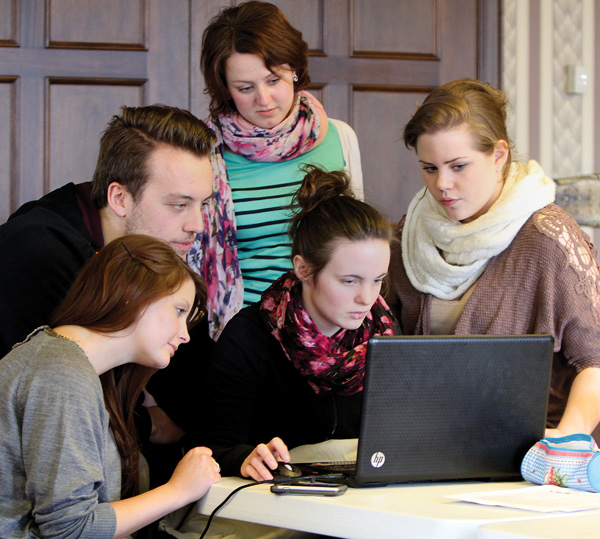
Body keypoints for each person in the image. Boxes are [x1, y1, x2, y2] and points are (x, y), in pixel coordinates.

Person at [0, 104, 215, 484]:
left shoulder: (158, 252)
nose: (196, 224)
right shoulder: (34, 251)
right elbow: (48, 404)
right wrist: (146, 423)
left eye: (204, 205)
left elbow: (197, 393)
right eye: (179, 205)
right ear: (119, 199)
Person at [386, 78, 600, 439]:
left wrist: (565, 442)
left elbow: (594, 361)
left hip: (534, 447)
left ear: (498, 156)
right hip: (433, 439)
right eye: (430, 168)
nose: (442, 185)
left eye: (458, 166)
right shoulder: (410, 233)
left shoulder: (547, 237)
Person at [0, 235, 221, 539]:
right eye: (179, 310)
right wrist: (177, 491)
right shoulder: (61, 373)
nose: (185, 334)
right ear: (133, 294)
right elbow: (70, 529)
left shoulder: (71, 366)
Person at [196, 166, 397, 480]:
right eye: (349, 281)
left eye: (378, 281)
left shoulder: (384, 332)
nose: (367, 299)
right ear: (303, 269)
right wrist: (244, 459)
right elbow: (212, 450)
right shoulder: (248, 338)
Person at [191, 0, 364, 338]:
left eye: (274, 80)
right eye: (245, 88)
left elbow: (358, 241)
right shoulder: (205, 152)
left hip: (328, 330)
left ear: (295, 70)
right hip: (242, 333)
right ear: (225, 88)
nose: (264, 99)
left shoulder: (339, 138)